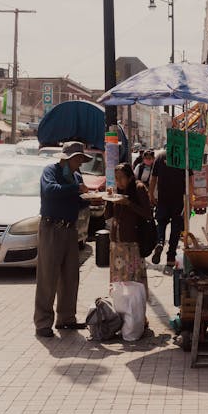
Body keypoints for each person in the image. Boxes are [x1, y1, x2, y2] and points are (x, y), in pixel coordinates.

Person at [34, 141, 99, 338]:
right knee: (48, 277)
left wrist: (91, 199)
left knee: (70, 276)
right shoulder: (51, 171)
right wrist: (76, 190)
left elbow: (76, 201)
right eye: (79, 159)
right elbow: (51, 191)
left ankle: (66, 318)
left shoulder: (76, 175)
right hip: (52, 228)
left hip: (70, 229)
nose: (81, 163)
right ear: (69, 158)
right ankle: (43, 323)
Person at [105, 163, 152, 297]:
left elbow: (147, 213)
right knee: (119, 282)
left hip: (133, 244)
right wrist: (109, 199)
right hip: (116, 244)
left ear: (130, 177)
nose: (118, 181)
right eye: (116, 178)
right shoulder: (117, 191)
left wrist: (129, 204)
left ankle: (136, 312)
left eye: (121, 178)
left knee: (134, 281)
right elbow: (107, 215)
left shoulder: (138, 188)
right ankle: (121, 310)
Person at [149, 149, 193, 272]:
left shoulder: (160, 156)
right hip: (178, 200)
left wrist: (151, 194)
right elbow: (190, 179)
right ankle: (170, 257)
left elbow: (153, 178)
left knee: (161, 223)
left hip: (163, 199)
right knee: (176, 228)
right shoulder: (183, 155)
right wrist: (190, 199)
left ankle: (160, 242)